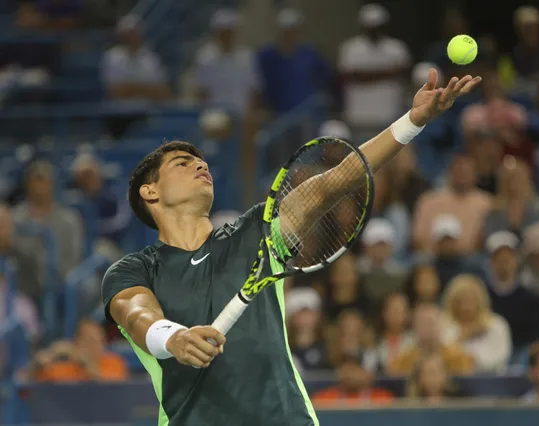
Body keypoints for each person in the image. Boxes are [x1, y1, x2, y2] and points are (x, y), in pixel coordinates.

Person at [101, 68, 481, 424]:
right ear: (149, 192)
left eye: (202, 161)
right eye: (183, 163)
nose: (201, 166)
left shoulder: (258, 231)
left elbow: (335, 182)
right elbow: (137, 316)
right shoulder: (134, 270)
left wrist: (413, 121)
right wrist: (174, 338)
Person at [338, 3, 411, 140]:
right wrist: (388, 73)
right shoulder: (351, 48)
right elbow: (348, 76)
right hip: (359, 117)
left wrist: (364, 75)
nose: (374, 30)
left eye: (377, 26)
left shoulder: (397, 48)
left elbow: (404, 73)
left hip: (390, 116)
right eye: (370, 27)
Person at [413, 155, 492, 253]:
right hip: (432, 256)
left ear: (475, 174)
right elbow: (417, 238)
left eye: (466, 172)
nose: (462, 175)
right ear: (450, 173)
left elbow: (486, 240)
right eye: (459, 171)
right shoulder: (429, 200)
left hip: (470, 258)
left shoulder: (486, 203)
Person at [485, 231, 539, 352]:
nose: (503, 264)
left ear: (516, 260)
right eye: (498, 259)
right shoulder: (482, 297)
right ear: (491, 262)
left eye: (507, 258)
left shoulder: (532, 300)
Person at [440, 274, 512, 373]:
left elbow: (501, 357)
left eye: (470, 301)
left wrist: (474, 360)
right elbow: (442, 355)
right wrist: (463, 336)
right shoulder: (443, 324)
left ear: (480, 301)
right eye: (460, 301)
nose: (465, 307)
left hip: (491, 378)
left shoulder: (496, 324)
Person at [22, 319, 128, 382]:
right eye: (89, 341)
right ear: (77, 343)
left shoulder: (114, 363)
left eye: (99, 341)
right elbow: (25, 382)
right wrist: (44, 358)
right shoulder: (65, 368)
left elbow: (112, 387)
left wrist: (85, 363)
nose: (95, 347)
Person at [388, 303, 474, 376]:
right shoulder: (403, 360)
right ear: (415, 328)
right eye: (423, 323)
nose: (428, 328)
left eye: (431, 323)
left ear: (441, 326)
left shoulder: (458, 357)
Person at [311, 354, 395, 406]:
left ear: (367, 374)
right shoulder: (322, 400)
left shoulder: (383, 399)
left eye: (354, 369)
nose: (349, 374)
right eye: (345, 369)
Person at [286, 287, 329, 374]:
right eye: (300, 313)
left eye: (309, 312)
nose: (305, 318)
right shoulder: (284, 349)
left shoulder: (329, 347)